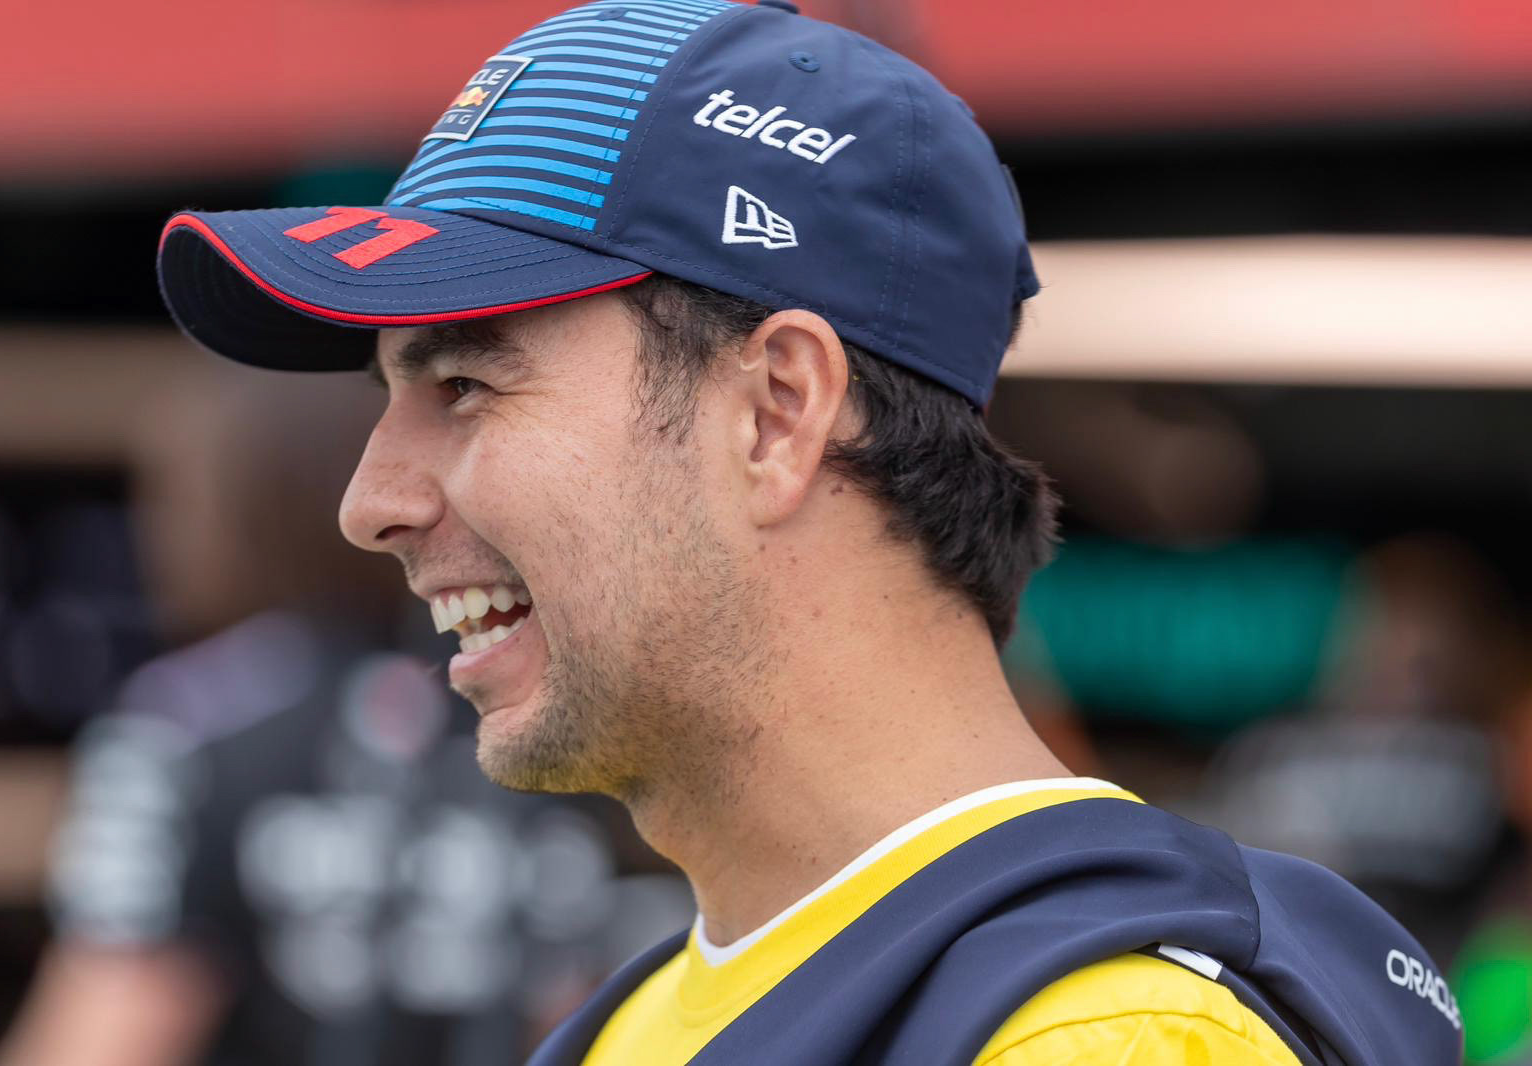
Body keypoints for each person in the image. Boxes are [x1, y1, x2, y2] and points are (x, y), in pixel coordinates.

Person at [153, 1, 1463, 1063]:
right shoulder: (646, 1014)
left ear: (779, 411)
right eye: (388, 396)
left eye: (466, 385)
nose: (370, 502)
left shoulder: (1105, 1034)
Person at [0, 366, 680, 1066]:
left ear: (224, 509)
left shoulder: (185, 722)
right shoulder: (531, 701)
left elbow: (110, 1030)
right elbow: (580, 1008)